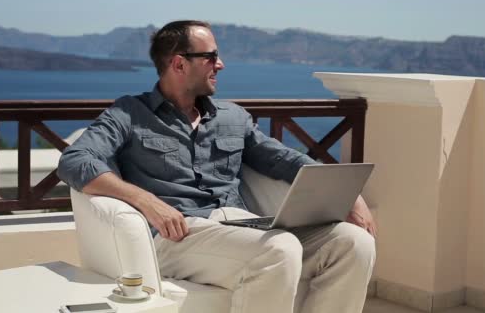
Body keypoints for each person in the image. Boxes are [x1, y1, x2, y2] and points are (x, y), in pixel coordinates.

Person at [58, 20, 376, 313]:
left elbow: (283, 159)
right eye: (210, 57)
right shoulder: (129, 114)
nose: (220, 65)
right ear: (179, 63)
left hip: (245, 228)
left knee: (353, 243)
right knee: (278, 249)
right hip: (179, 234)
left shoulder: (233, 117)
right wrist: (145, 200)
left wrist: (351, 195)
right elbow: (75, 160)